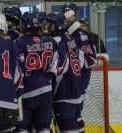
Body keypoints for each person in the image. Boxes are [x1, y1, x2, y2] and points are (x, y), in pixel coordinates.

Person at [14, 12, 58, 133]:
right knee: (44, 127)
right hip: (46, 89)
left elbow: (17, 69)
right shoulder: (51, 42)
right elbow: (55, 68)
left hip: (26, 90)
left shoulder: (19, 42)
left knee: (22, 126)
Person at [46, 12, 83, 133]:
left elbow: (59, 68)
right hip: (76, 88)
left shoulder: (55, 41)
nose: (47, 26)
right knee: (73, 124)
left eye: (50, 24)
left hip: (63, 91)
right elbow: (81, 60)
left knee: (68, 128)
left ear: (56, 25)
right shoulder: (70, 37)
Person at [62, 3, 97, 133]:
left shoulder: (81, 34)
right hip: (66, 83)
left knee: (74, 116)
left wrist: (73, 62)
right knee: (66, 117)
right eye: (65, 13)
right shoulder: (64, 34)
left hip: (78, 83)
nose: (67, 17)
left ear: (76, 15)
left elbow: (91, 58)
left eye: (70, 14)